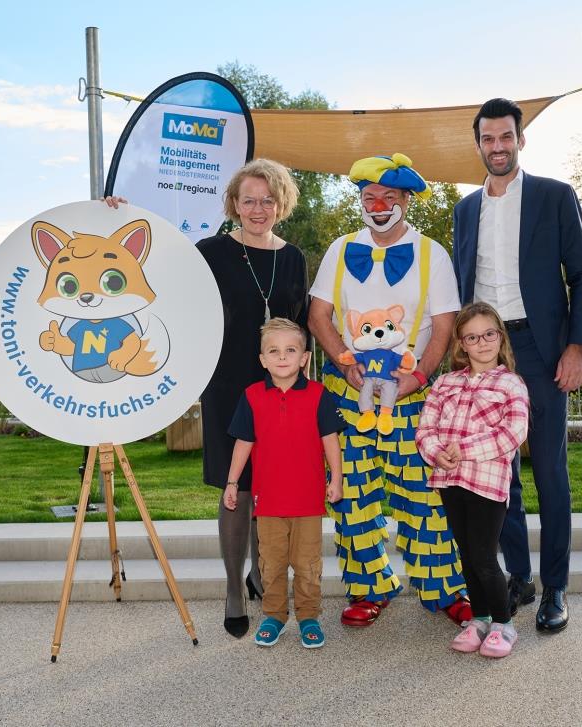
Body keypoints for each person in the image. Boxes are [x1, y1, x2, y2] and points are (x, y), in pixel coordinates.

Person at [452, 98, 582, 633]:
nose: (497, 147)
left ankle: (556, 587)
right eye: (488, 139)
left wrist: (577, 346)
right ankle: (519, 577)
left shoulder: (555, 197)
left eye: (505, 137)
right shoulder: (465, 210)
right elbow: (464, 286)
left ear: (520, 139)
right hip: (487, 354)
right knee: (498, 476)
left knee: (551, 474)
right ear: (478, 144)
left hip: (541, 349)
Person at [308, 153, 472, 627]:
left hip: (409, 397)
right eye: (369, 197)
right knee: (353, 495)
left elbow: (444, 325)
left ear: (405, 201)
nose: (378, 205)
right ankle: (368, 589)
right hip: (348, 397)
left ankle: (442, 589)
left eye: (388, 197)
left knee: (423, 495)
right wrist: (343, 358)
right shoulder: (340, 249)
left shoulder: (431, 253)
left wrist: (418, 376)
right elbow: (319, 316)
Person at [196, 159, 308, 638]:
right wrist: (114, 213)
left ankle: (262, 574)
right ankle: (232, 589)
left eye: (267, 199)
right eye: (248, 200)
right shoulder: (209, 252)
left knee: (273, 486)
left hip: (278, 390)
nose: (258, 209)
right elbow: (159, 275)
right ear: (233, 204)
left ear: (280, 203)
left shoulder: (296, 258)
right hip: (225, 387)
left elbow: (301, 326)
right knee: (236, 487)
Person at [416, 302, 529, 658]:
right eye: (472, 337)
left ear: (500, 336)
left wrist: (462, 449)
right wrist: (436, 453)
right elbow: (426, 428)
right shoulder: (446, 383)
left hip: (487, 481)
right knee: (466, 554)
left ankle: (503, 624)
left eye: (489, 334)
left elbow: (513, 432)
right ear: (462, 344)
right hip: (450, 480)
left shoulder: (511, 384)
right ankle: (478, 619)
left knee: (483, 555)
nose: (482, 343)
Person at [224, 318, 344, 648]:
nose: (281, 357)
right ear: (262, 359)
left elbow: (330, 440)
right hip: (270, 503)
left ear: (304, 357)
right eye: (273, 351)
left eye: (290, 350)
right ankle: (274, 616)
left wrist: (337, 477)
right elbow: (243, 444)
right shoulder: (252, 396)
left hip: (307, 502)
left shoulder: (319, 396)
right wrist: (232, 482)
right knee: (271, 565)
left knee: (307, 566)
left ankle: (309, 617)